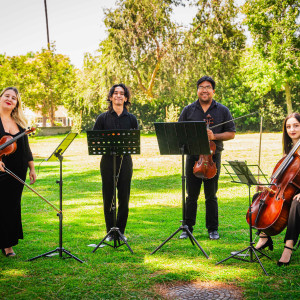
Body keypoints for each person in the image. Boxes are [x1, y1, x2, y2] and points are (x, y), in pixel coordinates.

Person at [178, 76, 235, 240]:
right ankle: (187, 228)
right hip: (193, 158)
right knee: (191, 195)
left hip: (212, 158)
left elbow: (231, 133)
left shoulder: (222, 110)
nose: (204, 90)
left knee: (211, 195)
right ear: (197, 90)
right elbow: (180, 132)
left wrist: (214, 135)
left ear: (213, 90)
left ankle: (213, 229)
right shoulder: (188, 110)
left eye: (208, 87)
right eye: (201, 87)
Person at [93, 84, 138, 241]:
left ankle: (120, 231)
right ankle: (110, 232)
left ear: (126, 98)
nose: (118, 96)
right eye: (115, 93)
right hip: (107, 161)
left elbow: (134, 142)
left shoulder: (132, 119)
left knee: (124, 197)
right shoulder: (102, 118)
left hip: (125, 161)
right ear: (111, 97)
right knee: (108, 197)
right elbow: (95, 141)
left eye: (122, 93)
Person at [255, 112, 300, 266]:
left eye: (296, 125)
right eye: (288, 126)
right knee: (259, 198)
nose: (292, 129)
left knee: (296, 204)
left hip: (298, 196)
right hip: (289, 191)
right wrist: (267, 187)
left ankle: (288, 246)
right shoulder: (288, 151)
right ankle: (264, 237)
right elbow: (282, 180)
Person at [0, 87, 36, 257]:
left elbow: (26, 149)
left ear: (16, 104)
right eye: (6, 96)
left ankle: (8, 245)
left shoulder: (20, 124)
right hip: (1, 168)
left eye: (13, 98)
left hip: (18, 169)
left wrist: (32, 168)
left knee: (12, 206)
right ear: (0, 98)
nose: (10, 99)